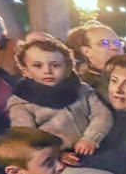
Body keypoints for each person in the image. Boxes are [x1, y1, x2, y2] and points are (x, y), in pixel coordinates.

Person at [6, 37, 113, 165]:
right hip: (57, 160)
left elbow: (101, 115)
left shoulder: (82, 90)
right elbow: (27, 137)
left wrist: (91, 138)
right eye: (37, 66)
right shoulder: (22, 102)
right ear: (26, 71)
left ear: (68, 69)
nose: (47, 71)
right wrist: (56, 155)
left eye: (55, 65)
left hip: (95, 147)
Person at [79, 25, 125, 97]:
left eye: (117, 42)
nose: (114, 47)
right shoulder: (85, 88)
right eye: (104, 43)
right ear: (86, 51)